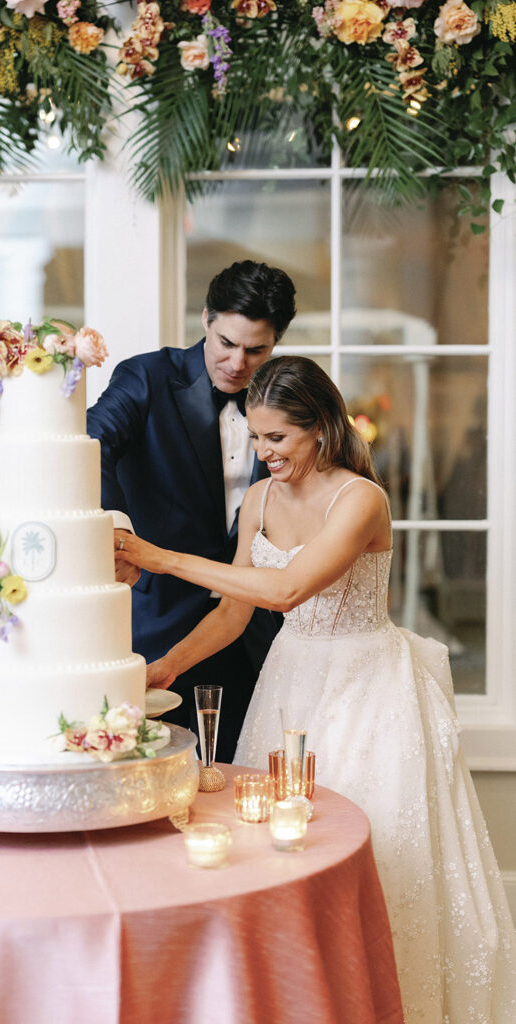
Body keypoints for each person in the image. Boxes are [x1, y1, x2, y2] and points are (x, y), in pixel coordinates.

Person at [114, 355, 516, 1024]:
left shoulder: (360, 499)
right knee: (280, 852)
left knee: (377, 850)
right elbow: (235, 611)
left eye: (277, 437)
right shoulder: (260, 501)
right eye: (254, 435)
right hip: (291, 681)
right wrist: (167, 666)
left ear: (320, 429)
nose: (261, 451)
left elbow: (287, 588)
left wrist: (153, 555)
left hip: (367, 689)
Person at [87, 260, 297, 762]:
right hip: (159, 631)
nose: (237, 362)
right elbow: (91, 443)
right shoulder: (146, 377)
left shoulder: (283, 401)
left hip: (253, 635)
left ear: (276, 344)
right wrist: (118, 536)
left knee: (241, 785)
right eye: (226, 342)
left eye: (256, 350)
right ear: (205, 318)